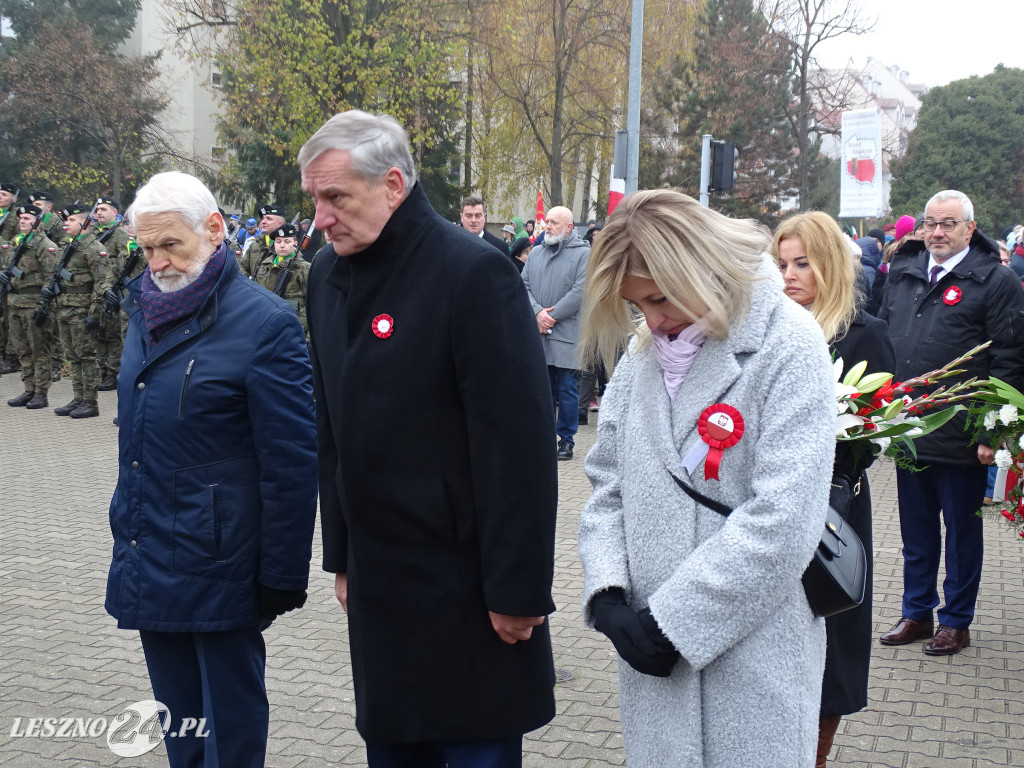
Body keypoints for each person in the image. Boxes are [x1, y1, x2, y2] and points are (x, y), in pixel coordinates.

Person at [301, 109, 558, 767]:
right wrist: (343, 556)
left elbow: (518, 449)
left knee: (474, 746)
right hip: (381, 589)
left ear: (392, 185)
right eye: (314, 200)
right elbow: (332, 431)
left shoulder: (472, 274)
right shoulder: (326, 279)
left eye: (335, 198)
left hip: (469, 594)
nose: (320, 220)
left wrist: (518, 591)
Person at [577, 189, 836, 768]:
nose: (654, 320)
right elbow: (606, 485)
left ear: (701, 265)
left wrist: (676, 622)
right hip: (653, 655)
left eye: (661, 298)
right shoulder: (643, 356)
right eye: (637, 306)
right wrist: (611, 593)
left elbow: (785, 518)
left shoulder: (788, 343)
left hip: (754, 648)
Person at [104, 171, 316, 768]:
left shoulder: (265, 324)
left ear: (215, 229)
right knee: (181, 725)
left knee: (229, 728)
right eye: (146, 249)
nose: (159, 262)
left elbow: (292, 463)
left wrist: (281, 572)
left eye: (171, 244)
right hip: (150, 545)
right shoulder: (144, 310)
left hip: (222, 559)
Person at [877, 190, 1024, 656]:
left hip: (963, 435)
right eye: (930, 223)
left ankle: (955, 622)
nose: (937, 232)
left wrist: (992, 434)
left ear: (968, 229)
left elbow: (1009, 359)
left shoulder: (996, 281)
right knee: (915, 533)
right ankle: (917, 612)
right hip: (908, 430)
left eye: (948, 224)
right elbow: (883, 337)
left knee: (961, 535)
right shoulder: (902, 272)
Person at [773, 211, 896, 767]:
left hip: (833, 506)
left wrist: (837, 431)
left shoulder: (864, 333)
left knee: (833, 643)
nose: (790, 275)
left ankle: (813, 757)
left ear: (829, 265)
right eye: (781, 264)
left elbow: (876, 433)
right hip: (767, 503)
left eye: (802, 263)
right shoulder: (767, 327)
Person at [522, 205, 589, 460]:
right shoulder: (536, 253)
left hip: (566, 333)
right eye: (547, 221)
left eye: (555, 223)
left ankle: (566, 441)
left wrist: (551, 316)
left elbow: (581, 291)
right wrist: (538, 313)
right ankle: (543, 437)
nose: (548, 226)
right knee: (542, 390)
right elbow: (524, 285)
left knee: (568, 390)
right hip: (538, 333)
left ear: (569, 228)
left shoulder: (583, 254)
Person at [51, 202, 107, 418]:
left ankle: (91, 402)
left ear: (85, 222)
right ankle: (78, 397)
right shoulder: (67, 245)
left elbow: (101, 284)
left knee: (86, 357)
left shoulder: (94, 248)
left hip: (82, 311)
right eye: (65, 220)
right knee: (73, 357)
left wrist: (94, 314)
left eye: (72, 220)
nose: (67, 224)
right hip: (64, 308)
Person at [4, 204, 58, 409]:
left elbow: (51, 276)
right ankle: (28, 389)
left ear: (37, 221)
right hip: (15, 303)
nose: (22, 221)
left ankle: (41, 392)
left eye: (27, 218)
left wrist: (44, 306)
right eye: (21, 218)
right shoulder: (19, 242)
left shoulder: (45, 245)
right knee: (22, 350)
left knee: (38, 351)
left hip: (33, 305)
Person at [92, 197, 131, 391]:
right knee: (99, 332)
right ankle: (100, 370)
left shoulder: (121, 237)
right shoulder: (92, 234)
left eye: (104, 209)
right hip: (98, 290)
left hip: (114, 292)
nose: (99, 213)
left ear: (115, 212)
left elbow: (125, 267)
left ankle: (112, 372)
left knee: (114, 334)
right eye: (97, 209)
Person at [253, 223, 310, 341]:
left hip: (294, 329)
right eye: (278, 242)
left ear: (295, 243)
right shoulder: (265, 265)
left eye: (287, 242)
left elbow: (314, 304)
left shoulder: (304, 268)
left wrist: (309, 339)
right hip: (264, 325)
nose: (282, 245)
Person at [239, 204, 286, 277]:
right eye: (263, 218)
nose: (263, 222)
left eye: (269, 219)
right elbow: (243, 266)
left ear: (280, 224)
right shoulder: (255, 243)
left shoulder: (287, 247)